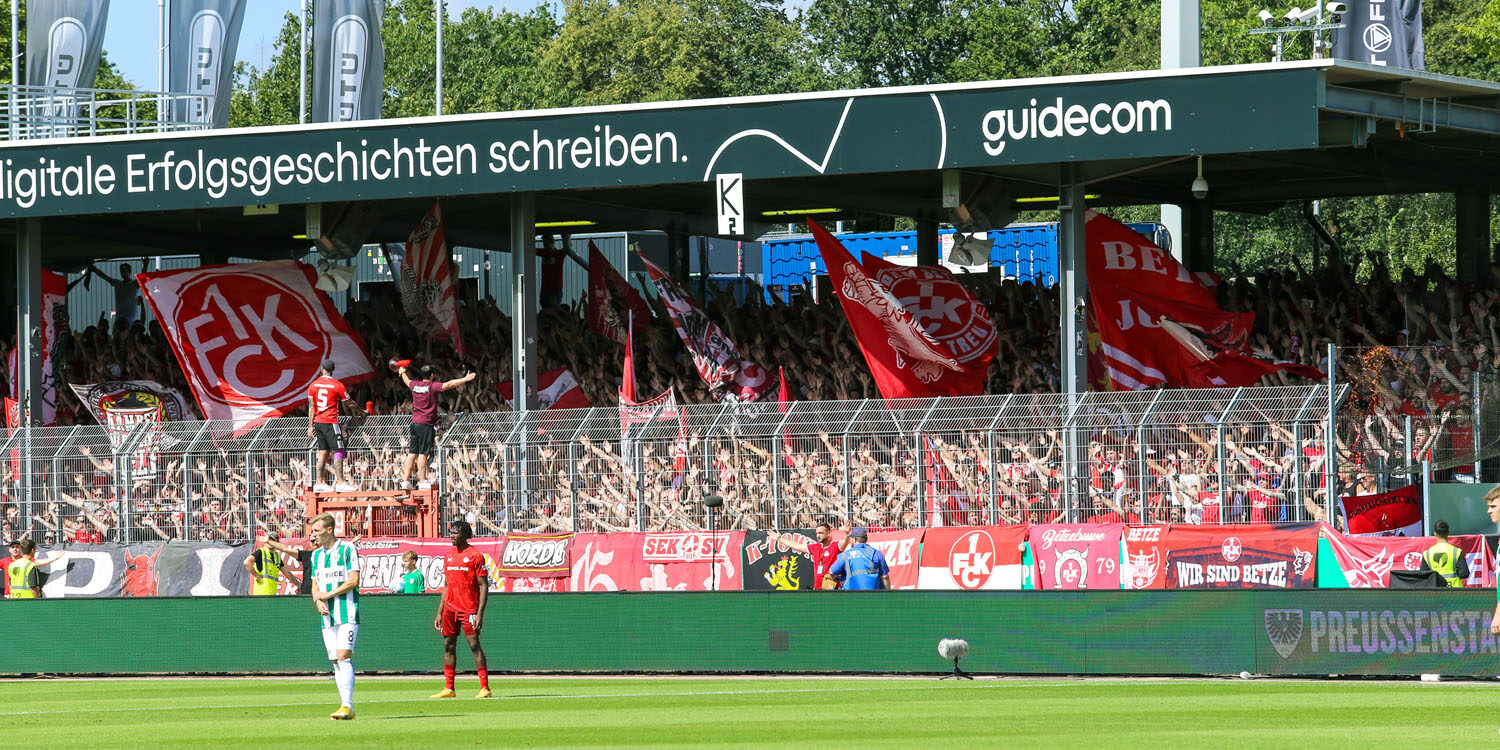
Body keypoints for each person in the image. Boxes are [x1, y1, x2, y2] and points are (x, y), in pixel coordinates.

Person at [262, 513, 361, 719]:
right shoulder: (316, 556)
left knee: (343, 657)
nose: (313, 535)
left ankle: (347, 705)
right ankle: (346, 707)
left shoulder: (347, 549)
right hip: (326, 614)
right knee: (334, 660)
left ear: (330, 530)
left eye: (316, 530)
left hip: (347, 611)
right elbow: (315, 582)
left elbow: (353, 580)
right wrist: (317, 599)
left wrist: (327, 595)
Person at [431, 520, 491, 699]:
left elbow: (483, 585)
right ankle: (449, 688)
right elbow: (446, 585)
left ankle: (484, 687)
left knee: (474, 644)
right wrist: (440, 612)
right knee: (448, 645)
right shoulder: (448, 556)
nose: (452, 536)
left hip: (469, 608)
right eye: (451, 532)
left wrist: (480, 613)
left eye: (456, 532)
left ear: (465, 534)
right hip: (450, 608)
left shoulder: (475, 555)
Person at [398, 363, 476, 490]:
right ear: (433, 375)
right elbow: (449, 384)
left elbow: (406, 380)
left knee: (412, 453)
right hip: (426, 425)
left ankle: (405, 481)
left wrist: (402, 372)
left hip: (415, 423)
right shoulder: (432, 386)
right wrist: (465, 379)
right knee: (423, 454)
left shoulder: (414, 385)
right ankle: (422, 481)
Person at [308, 360, 358, 493]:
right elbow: (349, 403)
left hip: (318, 422)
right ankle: (340, 482)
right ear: (333, 370)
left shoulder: (313, 385)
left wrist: (310, 426)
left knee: (323, 452)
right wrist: (360, 411)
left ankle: (319, 482)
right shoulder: (337, 385)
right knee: (339, 450)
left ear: (321, 368)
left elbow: (311, 407)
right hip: (330, 421)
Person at [770, 521, 846, 590]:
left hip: (832, 587)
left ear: (828, 533)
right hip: (817, 588)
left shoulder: (835, 546)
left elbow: (845, 542)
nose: (818, 536)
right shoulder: (815, 547)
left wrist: (848, 534)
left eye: (821, 533)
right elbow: (796, 546)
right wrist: (779, 539)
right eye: (817, 533)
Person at [828, 527, 891, 591]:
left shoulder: (845, 555)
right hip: (873, 596)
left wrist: (839, 579)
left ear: (854, 539)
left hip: (851, 596)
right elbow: (885, 577)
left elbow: (831, 572)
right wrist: (888, 594)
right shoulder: (876, 553)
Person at [1418, 519, 1470, 587]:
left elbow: (1423, 575)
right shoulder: (1456, 551)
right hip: (1455, 591)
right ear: (1448, 533)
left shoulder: (1427, 553)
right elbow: (1464, 574)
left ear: (1435, 533)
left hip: (1435, 590)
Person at [244, 529, 287, 596]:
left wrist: (298, 584)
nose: (269, 541)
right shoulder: (261, 552)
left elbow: (287, 573)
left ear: (277, 542)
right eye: (268, 539)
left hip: (272, 595)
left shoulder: (277, 556)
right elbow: (247, 562)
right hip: (261, 595)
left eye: (272, 540)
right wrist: (257, 576)